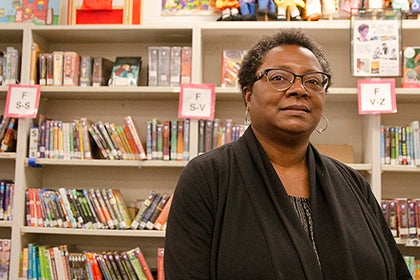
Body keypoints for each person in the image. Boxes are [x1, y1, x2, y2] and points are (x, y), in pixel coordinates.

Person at [164, 29, 411, 280]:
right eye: (279, 78)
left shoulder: (353, 183)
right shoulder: (208, 178)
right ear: (248, 95)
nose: (299, 89)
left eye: (313, 81)